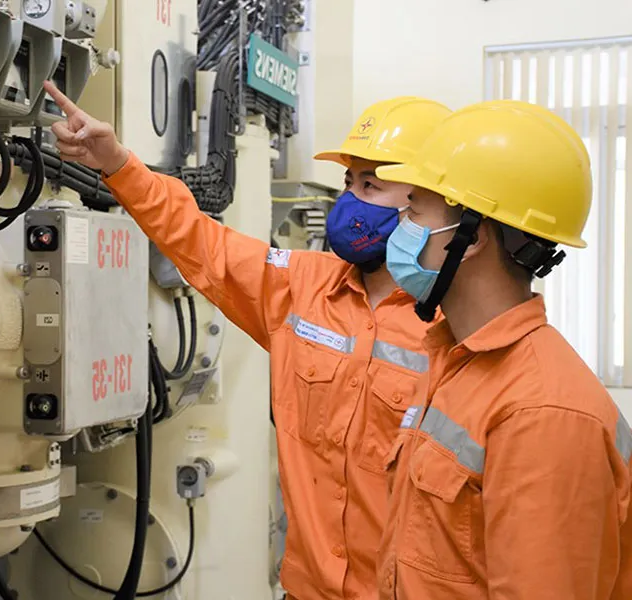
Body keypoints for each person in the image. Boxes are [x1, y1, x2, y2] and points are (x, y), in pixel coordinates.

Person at [42, 80, 450, 600]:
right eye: (349, 182)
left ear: (426, 202)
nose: (350, 201)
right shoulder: (303, 286)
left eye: (370, 186)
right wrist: (118, 164)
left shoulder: (453, 327)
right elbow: (199, 240)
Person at [371, 99, 632, 599]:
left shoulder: (542, 414)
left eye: (414, 211)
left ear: (470, 239)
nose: (398, 226)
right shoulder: (455, 362)